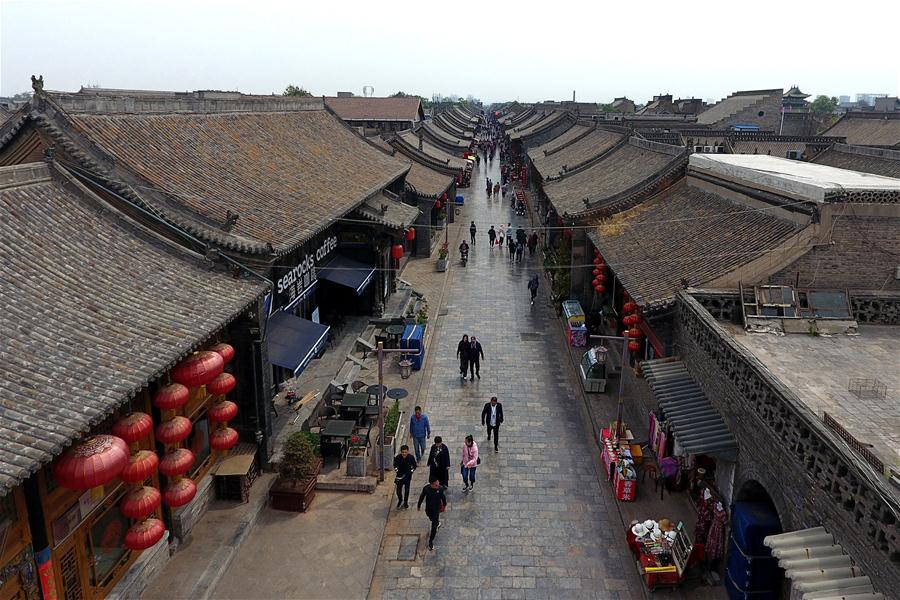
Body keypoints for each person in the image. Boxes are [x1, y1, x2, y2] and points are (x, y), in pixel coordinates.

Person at [417, 476, 447, 551]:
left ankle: (431, 541)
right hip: (429, 509)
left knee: (433, 526)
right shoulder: (426, 489)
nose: (438, 485)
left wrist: (444, 505)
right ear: (432, 484)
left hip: (436, 509)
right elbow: (422, 496)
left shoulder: (440, 489)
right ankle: (436, 523)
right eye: (436, 485)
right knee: (430, 518)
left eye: (438, 483)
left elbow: (443, 497)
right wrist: (419, 505)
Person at [393, 445, 417, 509]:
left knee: (407, 490)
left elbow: (414, 465)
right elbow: (395, 465)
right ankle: (400, 500)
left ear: (408, 451)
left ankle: (405, 502)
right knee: (398, 491)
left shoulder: (411, 457)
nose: (404, 454)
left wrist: (411, 471)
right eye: (403, 452)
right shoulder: (398, 457)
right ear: (401, 452)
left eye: (405, 452)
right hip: (399, 476)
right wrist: (396, 470)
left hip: (407, 477)